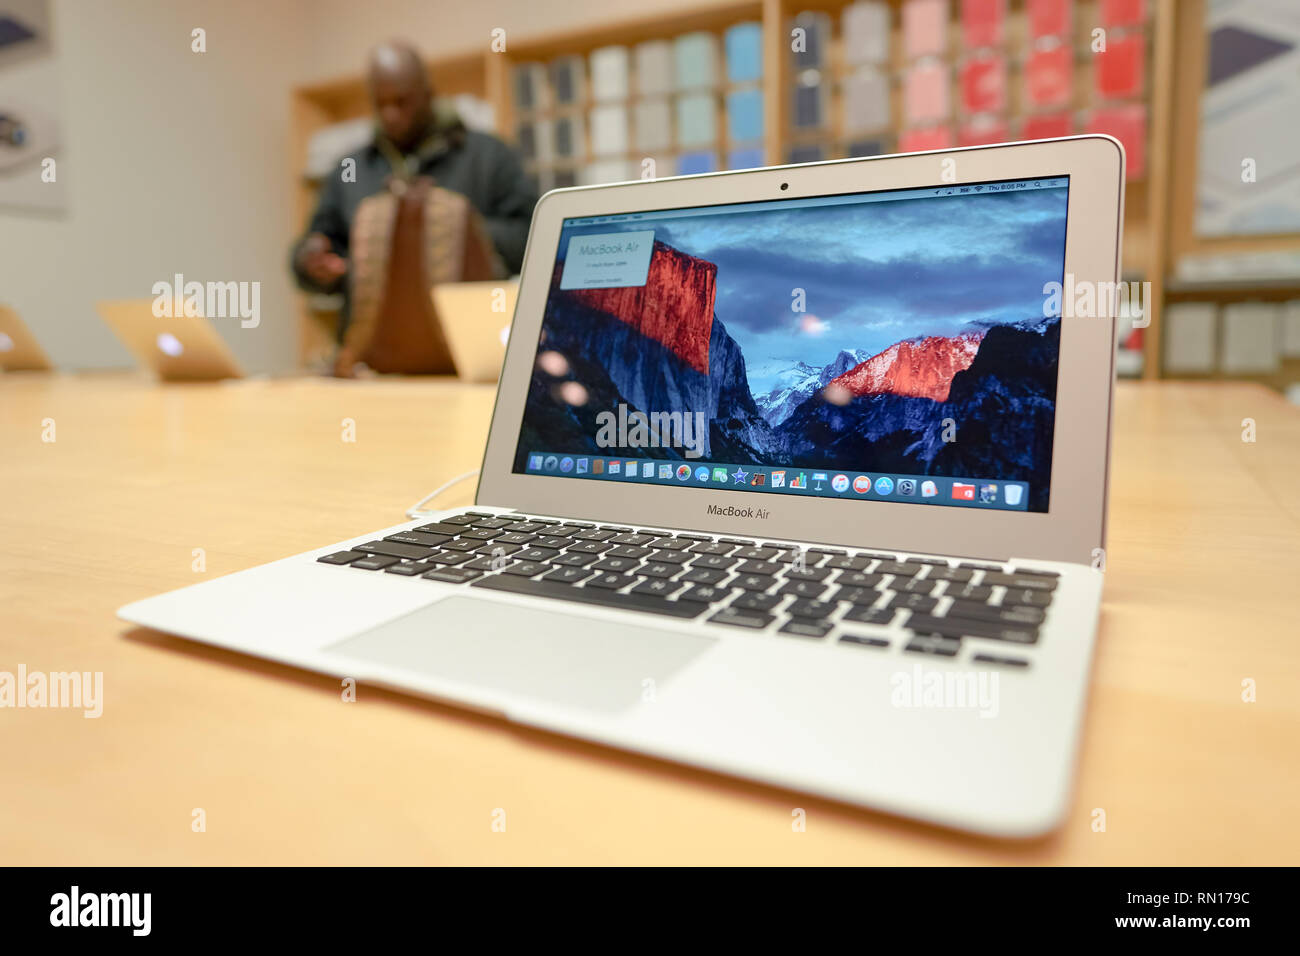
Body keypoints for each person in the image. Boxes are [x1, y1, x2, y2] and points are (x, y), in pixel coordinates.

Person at [291, 41, 537, 376]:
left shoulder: (488, 156)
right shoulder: (351, 168)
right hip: (368, 370)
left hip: (470, 366)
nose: (391, 114)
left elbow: (533, 241)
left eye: (402, 102)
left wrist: (456, 225)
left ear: (428, 93)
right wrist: (312, 262)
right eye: (381, 104)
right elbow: (318, 248)